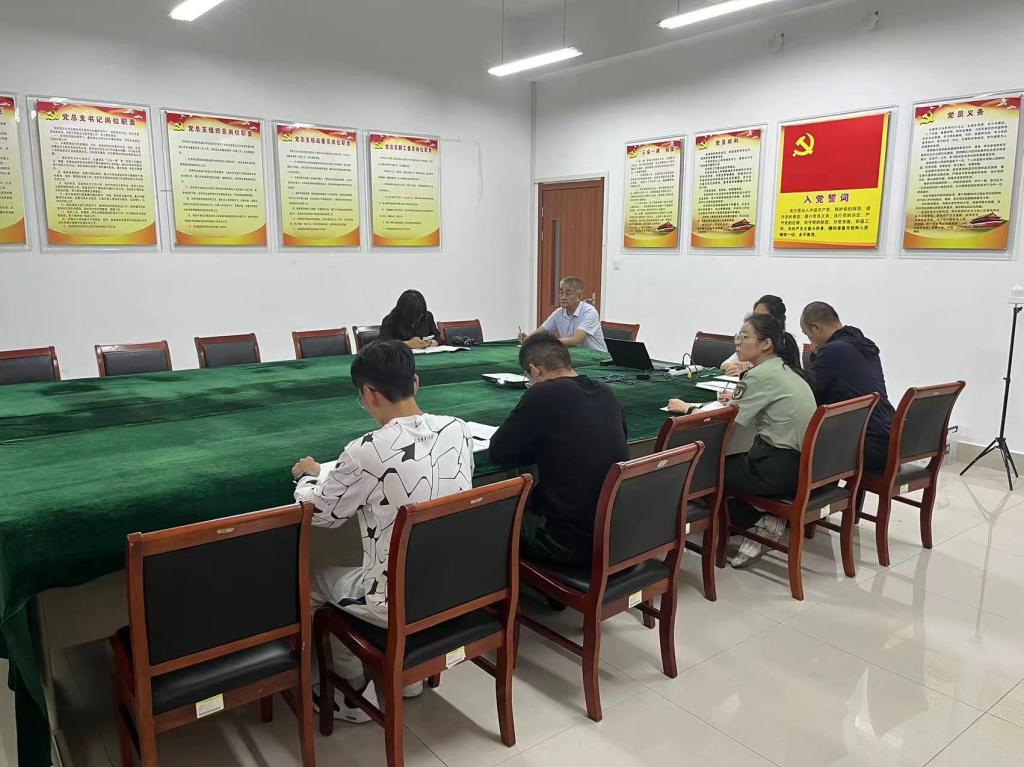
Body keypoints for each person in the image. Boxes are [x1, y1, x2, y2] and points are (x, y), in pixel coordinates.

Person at [292, 340, 474, 722]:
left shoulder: (365, 450)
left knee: (313, 581)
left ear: (369, 394)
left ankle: (354, 694)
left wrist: (307, 479)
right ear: (416, 383)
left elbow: (320, 514)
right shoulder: (458, 430)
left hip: (396, 599)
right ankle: (409, 680)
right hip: (457, 584)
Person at [667, 313, 816, 568]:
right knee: (729, 461)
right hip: (803, 465)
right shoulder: (782, 369)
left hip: (779, 469)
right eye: (738, 336)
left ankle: (758, 522)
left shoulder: (759, 376)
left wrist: (688, 409)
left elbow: (724, 422)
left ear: (766, 344)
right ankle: (757, 518)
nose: (737, 342)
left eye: (744, 337)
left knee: (702, 470)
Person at [489, 331, 628, 567]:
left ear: (534, 371)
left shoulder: (543, 393)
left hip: (568, 543)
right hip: (617, 534)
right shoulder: (607, 392)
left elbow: (498, 452)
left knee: (494, 517)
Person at [800, 301, 895, 472]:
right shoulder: (863, 344)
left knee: (797, 449)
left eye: (808, 335)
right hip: (890, 438)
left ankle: (816, 489)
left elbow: (806, 392)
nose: (811, 341)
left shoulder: (833, 351)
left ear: (816, 328)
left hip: (867, 445)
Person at [519, 276, 608, 353]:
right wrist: (529, 337)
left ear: (579, 297)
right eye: (561, 293)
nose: (563, 297)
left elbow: (575, 340)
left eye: (568, 293)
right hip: (575, 354)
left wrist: (546, 342)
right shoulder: (559, 312)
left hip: (597, 357)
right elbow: (541, 332)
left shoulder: (589, 312)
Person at [721, 295, 793, 376]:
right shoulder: (749, 343)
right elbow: (725, 364)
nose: (755, 320)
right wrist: (736, 367)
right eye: (755, 316)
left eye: (761, 317)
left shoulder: (790, 343)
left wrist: (747, 371)